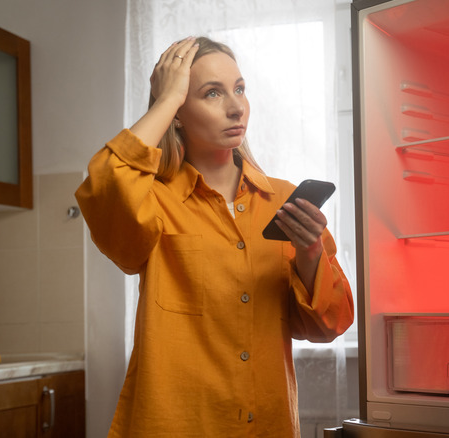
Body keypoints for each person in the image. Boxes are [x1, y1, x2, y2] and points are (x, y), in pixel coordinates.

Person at [75, 36, 355, 437]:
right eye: (212, 93)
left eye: (239, 88)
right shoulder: (152, 199)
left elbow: (331, 324)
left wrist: (310, 254)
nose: (235, 105)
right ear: (177, 112)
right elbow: (104, 183)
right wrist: (165, 101)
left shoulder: (283, 200)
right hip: (174, 426)